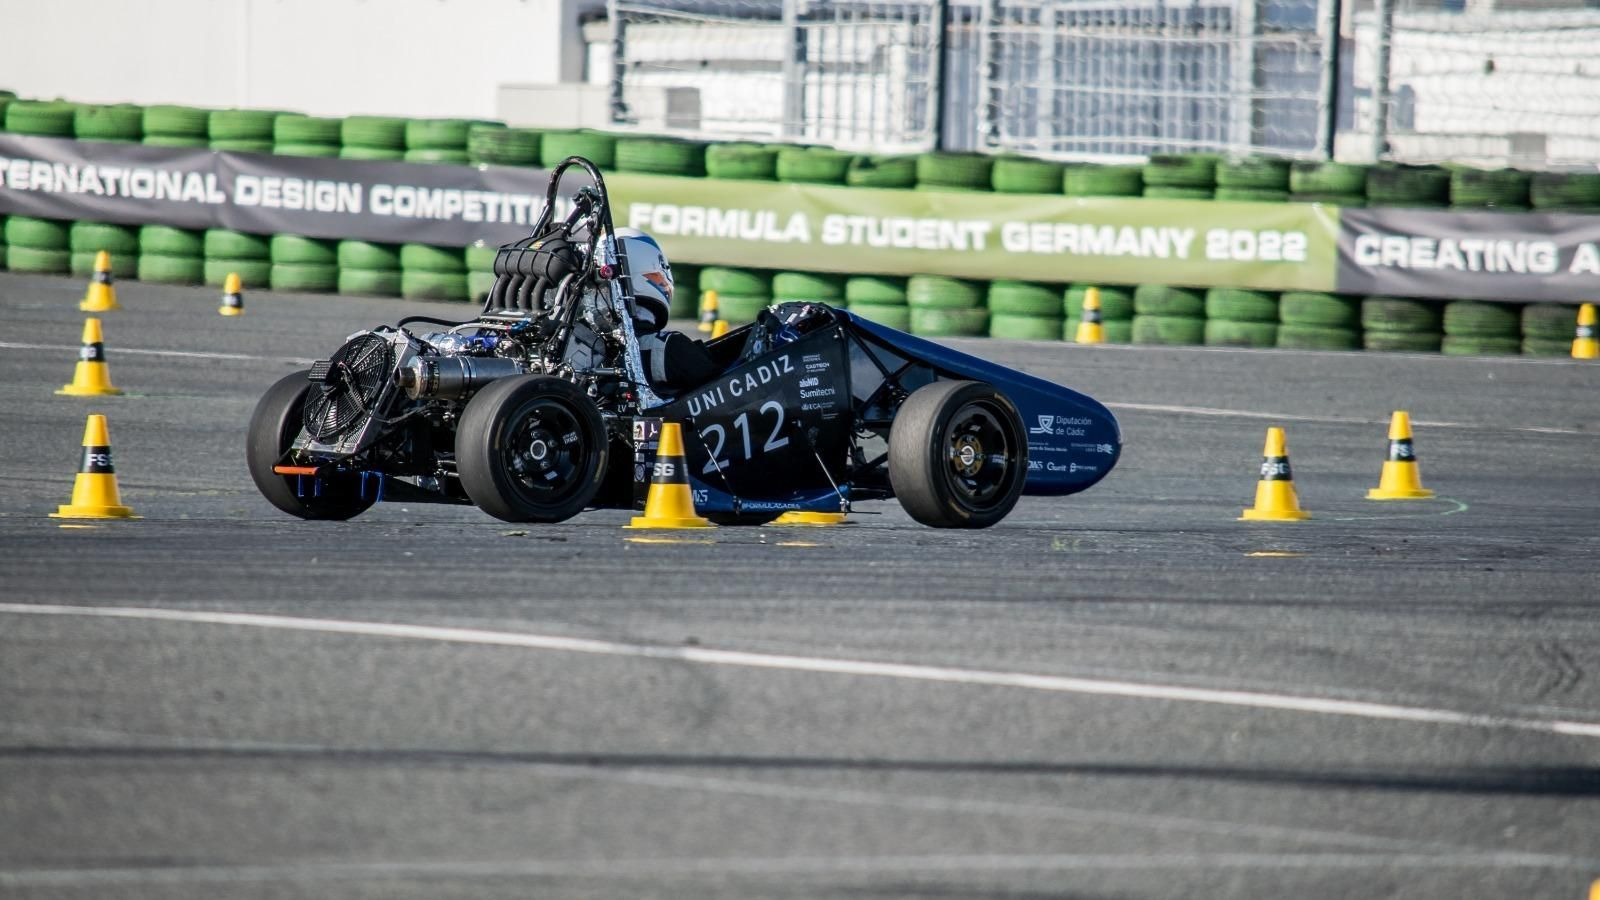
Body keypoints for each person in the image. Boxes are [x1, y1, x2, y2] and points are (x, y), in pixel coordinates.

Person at [616, 227, 721, 391]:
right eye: (658, 273)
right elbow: (722, 390)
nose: (663, 281)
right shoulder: (671, 348)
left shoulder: (583, 342)